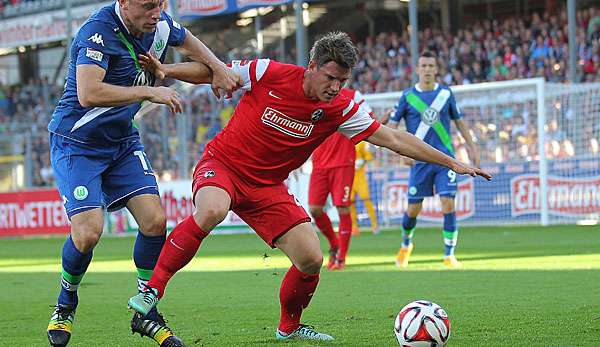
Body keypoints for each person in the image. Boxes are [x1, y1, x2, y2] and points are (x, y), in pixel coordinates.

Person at [127, 32, 491, 343]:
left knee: (311, 258)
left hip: (267, 187)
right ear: (312, 65)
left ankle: (290, 327)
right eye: (330, 77)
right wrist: (166, 71)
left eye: (343, 81)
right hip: (222, 165)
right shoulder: (268, 72)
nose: (335, 88)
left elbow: (393, 138)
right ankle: (151, 290)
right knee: (211, 210)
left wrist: (451, 161)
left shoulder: (342, 109)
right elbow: (214, 71)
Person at [46, 1, 240, 346]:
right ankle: (65, 304)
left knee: (154, 221)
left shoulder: (159, 26)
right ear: (123, 3)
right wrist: (150, 90)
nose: (157, 12)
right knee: (89, 233)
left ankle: (145, 313)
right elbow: (88, 93)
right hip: (77, 142)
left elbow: (191, 41)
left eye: (161, 4)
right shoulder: (98, 31)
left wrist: (218, 68)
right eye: (149, 5)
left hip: (121, 142)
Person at [388, 51, 481, 268]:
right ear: (418, 69)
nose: (428, 69)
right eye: (424, 65)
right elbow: (391, 128)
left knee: (448, 202)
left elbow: (460, 123)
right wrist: (401, 153)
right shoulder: (407, 96)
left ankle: (449, 255)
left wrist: (472, 148)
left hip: (445, 160)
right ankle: (405, 245)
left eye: (431, 65)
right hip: (419, 161)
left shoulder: (446, 95)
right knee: (413, 209)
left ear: (436, 69)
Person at [308, 88, 365, 271]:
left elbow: (371, 121)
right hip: (319, 162)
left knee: (343, 207)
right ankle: (334, 243)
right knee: (315, 210)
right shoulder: (313, 92)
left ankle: (341, 258)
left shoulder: (354, 96)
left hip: (343, 161)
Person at [350, 141, 380, 236]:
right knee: (350, 202)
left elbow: (368, 156)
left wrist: (362, 161)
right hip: (348, 177)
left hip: (360, 177)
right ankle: (354, 227)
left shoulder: (361, 143)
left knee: (366, 199)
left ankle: (374, 225)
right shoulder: (344, 142)